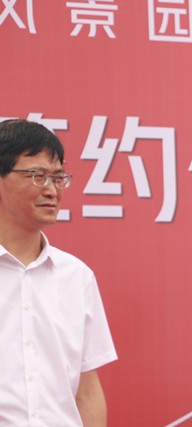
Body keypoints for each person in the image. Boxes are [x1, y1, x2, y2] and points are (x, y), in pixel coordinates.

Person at [0, 119, 117, 426]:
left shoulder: (77, 277)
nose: (52, 190)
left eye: (58, 178)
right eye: (38, 176)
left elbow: (87, 392)